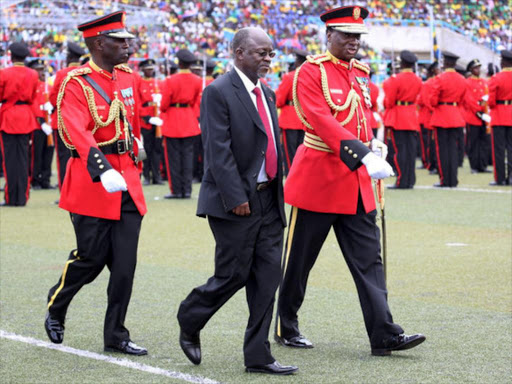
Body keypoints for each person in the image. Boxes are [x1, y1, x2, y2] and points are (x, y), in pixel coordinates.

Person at [274, 5, 425, 356]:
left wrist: (374, 142)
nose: (354, 42)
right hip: (319, 181)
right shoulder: (311, 72)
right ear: (329, 35)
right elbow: (320, 119)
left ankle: (384, 334)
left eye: (358, 36)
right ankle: (286, 325)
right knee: (299, 261)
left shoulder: (360, 72)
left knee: (370, 260)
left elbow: (362, 114)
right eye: (346, 35)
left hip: (355, 183)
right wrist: (363, 152)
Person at [177, 27, 298, 375]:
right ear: (239, 53)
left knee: (267, 278)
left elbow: (269, 145)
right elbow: (218, 151)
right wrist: (235, 197)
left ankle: (258, 354)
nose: (267, 59)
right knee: (233, 274)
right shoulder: (217, 91)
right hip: (237, 203)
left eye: (270, 53)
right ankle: (190, 316)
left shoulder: (268, 93)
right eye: (261, 52)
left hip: (269, 200)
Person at [44, 11, 148, 356]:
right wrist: (102, 168)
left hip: (128, 179)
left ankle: (116, 334)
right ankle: (57, 305)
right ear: (98, 43)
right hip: (94, 179)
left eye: (128, 40)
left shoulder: (128, 77)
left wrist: (137, 145)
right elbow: (74, 127)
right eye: (120, 41)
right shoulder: (77, 82)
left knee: (124, 267)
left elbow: (129, 119)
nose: (128, 45)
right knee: (90, 258)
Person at [0, 42, 39, 206]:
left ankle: (11, 197)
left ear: (11, 55)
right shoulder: (33, 74)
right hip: (26, 117)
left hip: (9, 116)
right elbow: (33, 96)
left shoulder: (4, 73)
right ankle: (22, 197)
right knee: (24, 160)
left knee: (9, 160)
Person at [160, 49, 202, 199]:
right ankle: (187, 190)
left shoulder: (170, 80)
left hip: (173, 119)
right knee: (188, 158)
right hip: (189, 120)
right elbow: (196, 102)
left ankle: (177, 190)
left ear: (179, 62)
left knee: (174, 158)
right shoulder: (197, 80)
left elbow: (164, 104)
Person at [50, 42, 87, 191]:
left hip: (63, 121)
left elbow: (54, 99)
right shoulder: (86, 72)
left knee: (64, 158)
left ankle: (65, 191)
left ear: (69, 57)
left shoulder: (62, 73)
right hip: (83, 122)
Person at [384, 50, 422, 189]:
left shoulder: (395, 79)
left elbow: (389, 101)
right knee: (411, 152)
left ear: (403, 63)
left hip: (398, 117)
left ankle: (401, 180)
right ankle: (410, 180)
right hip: (411, 116)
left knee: (400, 152)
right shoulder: (418, 79)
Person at [429, 51, 467, 187]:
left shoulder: (440, 78)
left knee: (442, 151)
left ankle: (445, 180)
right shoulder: (462, 79)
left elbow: (432, 100)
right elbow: (463, 99)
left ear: (445, 63)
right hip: (456, 115)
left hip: (441, 116)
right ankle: (453, 179)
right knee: (453, 150)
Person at [275, 49, 308, 174]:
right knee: (302, 155)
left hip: (290, 120)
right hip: (305, 120)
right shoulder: (313, 77)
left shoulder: (290, 77)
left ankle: (291, 184)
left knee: (290, 157)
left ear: (297, 61)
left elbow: (279, 100)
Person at [28, 58, 55, 190]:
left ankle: (45, 180)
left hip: (50, 126)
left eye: (42, 70)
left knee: (48, 154)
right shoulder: (32, 86)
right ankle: (35, 179)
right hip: (38, 125)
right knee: (36, 154)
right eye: (38, 70)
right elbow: (33, 105)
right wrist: (42, 121)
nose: (41, 73)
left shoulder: (49, 87)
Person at [488, 50, 512, 186]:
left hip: (499, 114)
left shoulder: (496, 78)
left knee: (499, 149)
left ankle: (500, 178)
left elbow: (491, 101)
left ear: (503, 62)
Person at [138, 58, 164, 185]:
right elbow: (138, 104)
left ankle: (157, 176)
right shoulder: (140, 83)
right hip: (146, 121)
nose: (150, 71)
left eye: (151, 69)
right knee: (147, 149)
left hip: (158, 119)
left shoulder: (158, 83)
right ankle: (147, 175)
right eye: (147, 69)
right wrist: (147, 118)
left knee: (157, 149)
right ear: (143, 70)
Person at [464, 59, 492, 174]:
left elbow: (487, 96)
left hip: (484, 116)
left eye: (479, 67)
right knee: (473, 143)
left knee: (484, 142)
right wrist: (478, 111)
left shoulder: (484, 82)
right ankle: (474, 166)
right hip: (473, 116)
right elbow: (469, 100)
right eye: (475, 68)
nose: (478, 70)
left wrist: (485, 111)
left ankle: (483, 165)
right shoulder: (468, 82)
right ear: (471, 69)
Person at [418, 61, 440, 173]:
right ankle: (430, 163)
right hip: (430, 116)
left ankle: (433, 163)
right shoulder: (428, 83)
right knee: (429, 143)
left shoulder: (437, 82)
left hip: (434, 115)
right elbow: (427, 101)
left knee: (432, 142)